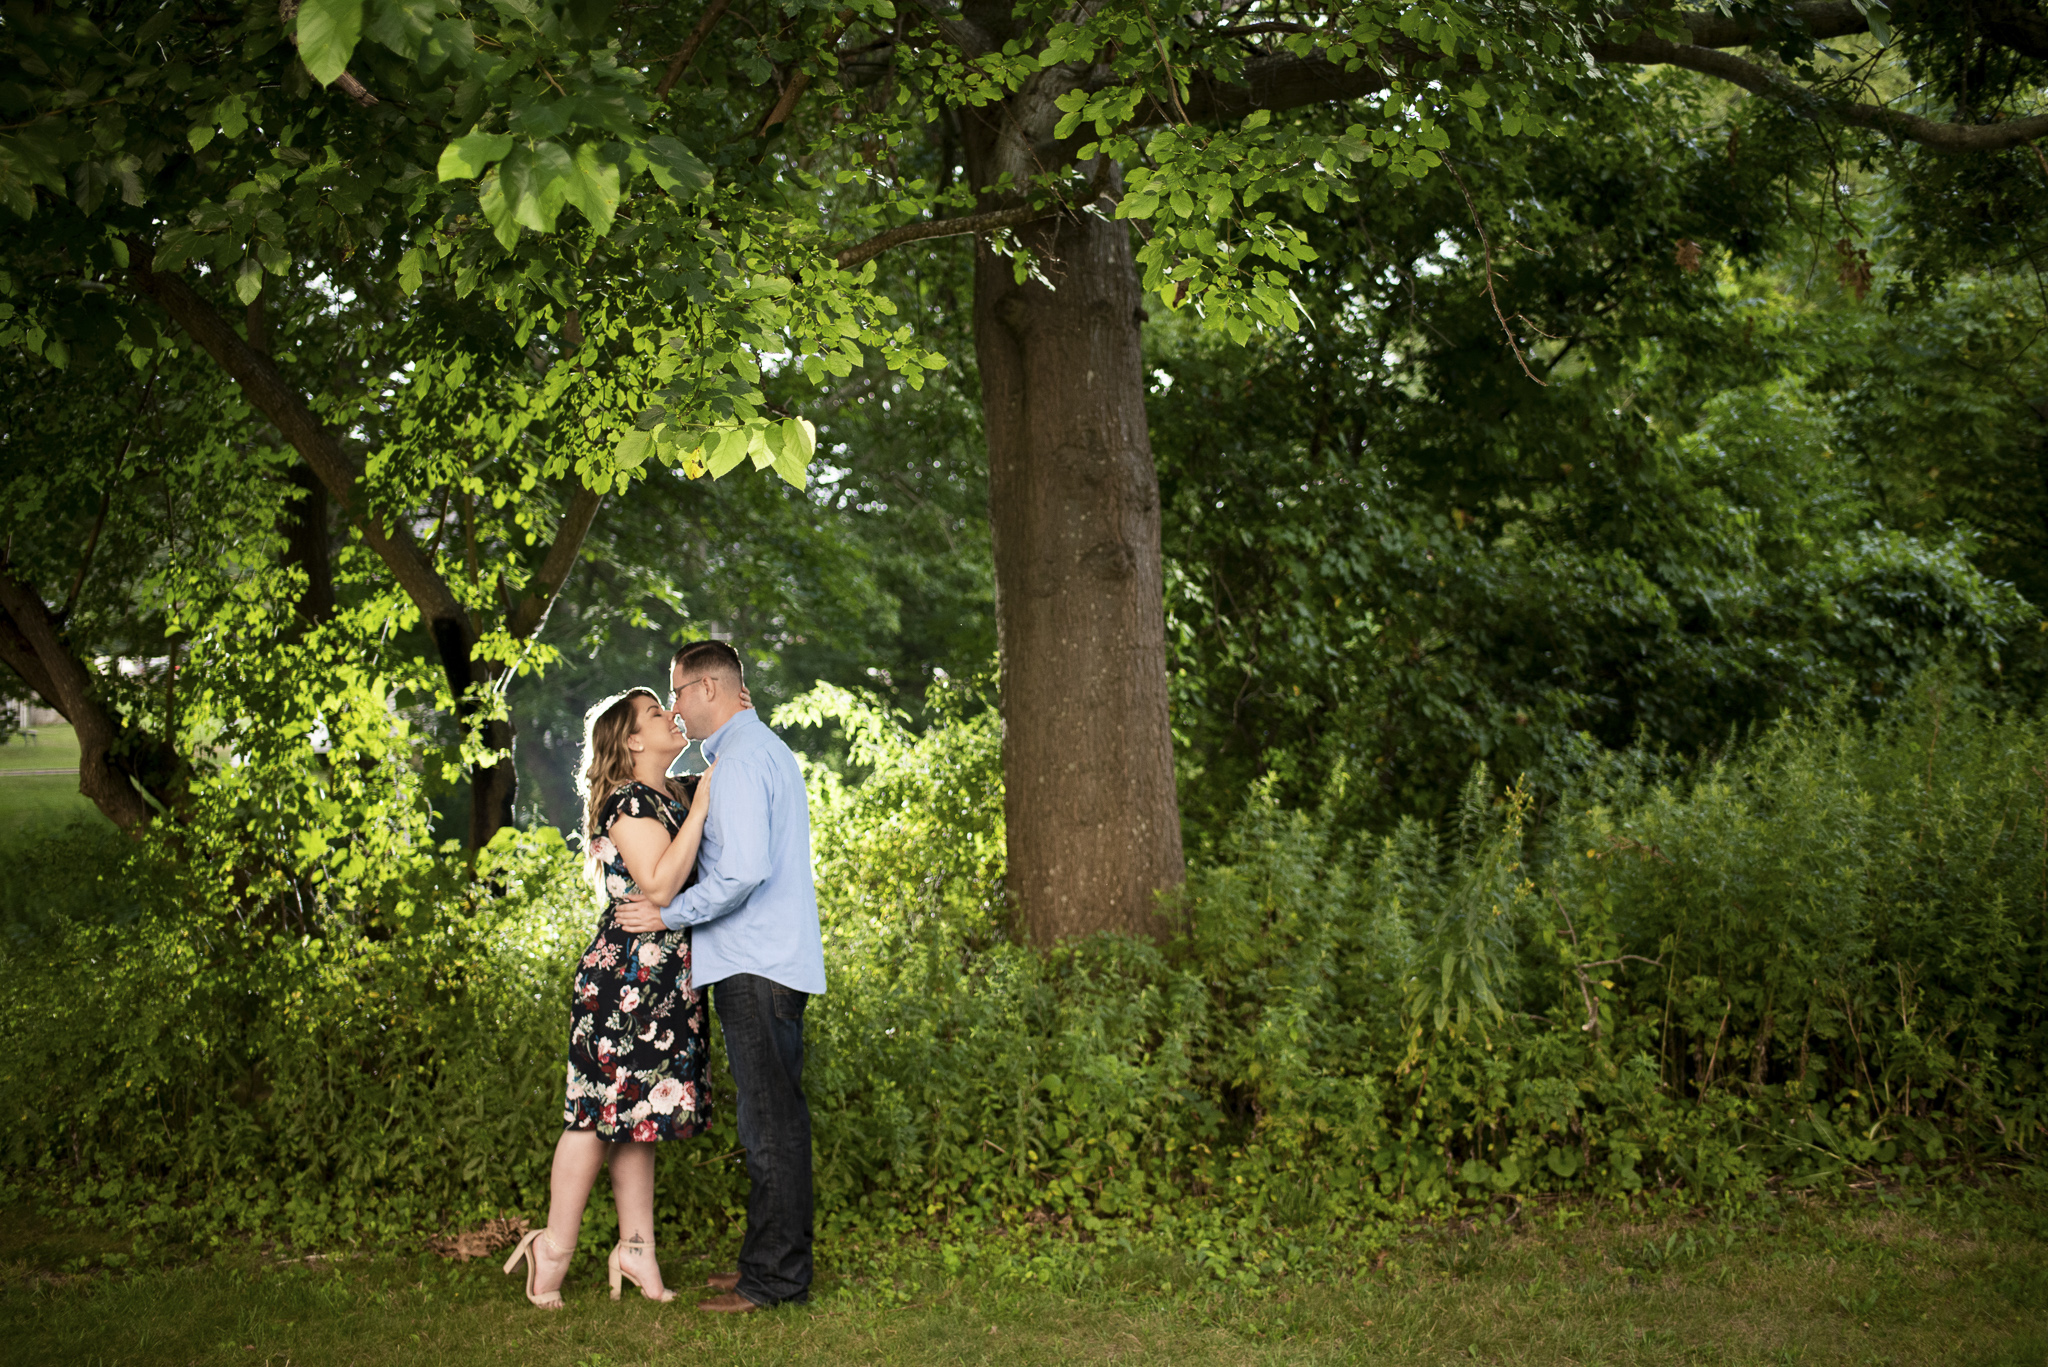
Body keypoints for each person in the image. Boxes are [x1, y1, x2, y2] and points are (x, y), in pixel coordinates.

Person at [616, 639, 826, 1313]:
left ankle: (774, 1282)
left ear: (708, 688)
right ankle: (765, 1267)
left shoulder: (739, 761)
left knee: (770, 1127)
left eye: (676, 691)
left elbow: (741, 872)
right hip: (765, 960)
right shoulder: (753, 751)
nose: (674, 705)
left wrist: (669, 912)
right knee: (770, 1121)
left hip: (753, 962)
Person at [503, 687, 718, 1308]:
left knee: (638, 1117)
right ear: (631, 741)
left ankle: (636, 1250)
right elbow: (658, 882)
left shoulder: (670, 795)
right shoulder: (629, 801)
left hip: (666, 978)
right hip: (623, 981)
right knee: (596, 1116)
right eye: (657, 714)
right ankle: (554, 1248)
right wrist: (702, 807)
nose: (672, 717)